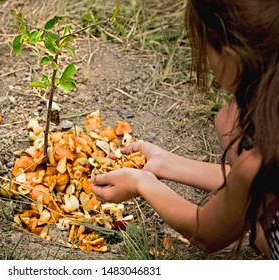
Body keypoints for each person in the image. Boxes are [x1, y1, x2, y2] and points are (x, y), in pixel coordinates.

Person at [91, 0, 279, 259]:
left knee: (262, 232)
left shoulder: (251, 151)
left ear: (231, 58)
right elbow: (255, 184)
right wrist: (166, 163)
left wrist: (142, 183)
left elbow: (207, 233)